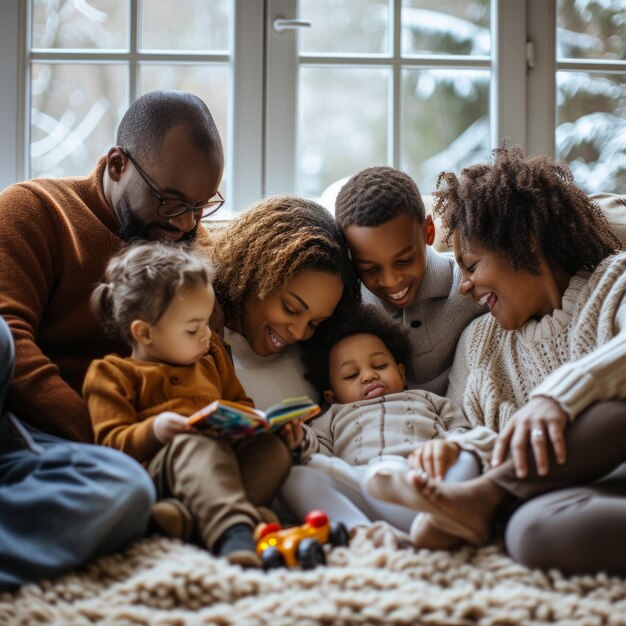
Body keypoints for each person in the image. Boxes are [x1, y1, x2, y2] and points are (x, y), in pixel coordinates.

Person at [366, 146, 626, 575]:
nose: (463, 287)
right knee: (527, 533)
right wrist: (452, 449)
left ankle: (486, 495)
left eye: (470, 266)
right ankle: (482, 503)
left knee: (610, 410)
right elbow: (469, 431)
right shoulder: (480, 346)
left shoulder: (614, 281)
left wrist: (556, 399)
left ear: (524, 244)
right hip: (597, 493)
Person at [0, 89, 224, 587]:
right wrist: (109, 437)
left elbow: (207, 359)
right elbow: (15, 344)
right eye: (170, 201)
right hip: (34, 422)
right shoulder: (34, 210)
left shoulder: (185, 246)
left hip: (97, 459)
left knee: (127, 493)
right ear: (118, 164)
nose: (184, 224)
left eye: (200, 206)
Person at [83, 243, 291, 567]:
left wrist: (261, 423)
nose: (207, 335)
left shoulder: (213, 358)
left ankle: (187, 521)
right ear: (144, 333)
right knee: (196, 442)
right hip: (160, 475)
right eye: (193, 328)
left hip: (221, 464)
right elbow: (111, 446)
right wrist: (154, 430)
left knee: (271, 450)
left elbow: (239, 403)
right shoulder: (112, 374)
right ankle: (235, 532)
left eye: (207, 323)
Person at [278, 304, 492, 533]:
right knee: (297, 478)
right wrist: (298, 439)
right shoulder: (332, 417)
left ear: (401, 373)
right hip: (362, 485)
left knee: (467, 458)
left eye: (380, 365)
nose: (369, 375)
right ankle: (361, 531)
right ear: (332, 397)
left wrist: (449, 447)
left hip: (425, 478)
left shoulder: (428, 400)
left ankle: (435, 516)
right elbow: (317, 453)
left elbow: (462, 431)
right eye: (351, 374)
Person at [334, 167, 484, 397]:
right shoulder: (350, 308)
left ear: (428, 232)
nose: (391, 281)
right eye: (370, 269)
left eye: (404, 260)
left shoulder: (468, 286)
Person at [210, 195, 359, 413]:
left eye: (315, 323)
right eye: (291, 309)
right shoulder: (202, 338)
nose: (298, 333)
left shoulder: (318, 352)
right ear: (257, 273)